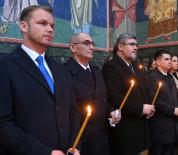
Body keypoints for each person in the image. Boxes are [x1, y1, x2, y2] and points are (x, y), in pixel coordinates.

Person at [0, 6, 80, 155]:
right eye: (42, 23)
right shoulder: (5, 66)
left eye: (52, 26)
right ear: (23, 26)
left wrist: (74, 145)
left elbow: (73, 111)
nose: (50, 29)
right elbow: (3, 125)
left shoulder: (60, 69)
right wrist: (45, 152)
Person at [64, 32, 121, 155]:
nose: (92, 47)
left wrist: (111, 111)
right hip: (80, 139)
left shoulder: (97, 72)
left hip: (102, 137)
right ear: (73, 47)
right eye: (86, 43)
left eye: (92, 44)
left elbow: (102, 99)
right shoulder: (64, 72)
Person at [102, 33, 155, 155]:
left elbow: (144, 90)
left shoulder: (136, 66)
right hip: (126, 128)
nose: (136, 48)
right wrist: (141, 108)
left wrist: (150, 107)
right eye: (131, 44)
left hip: (142, 126)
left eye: (136, 45)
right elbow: (115, 97)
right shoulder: (111, 67)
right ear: (120, 46)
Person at [147, 50, 178, 155]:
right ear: (158, 62)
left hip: (172, 123)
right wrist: (173, 110)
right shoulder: (151, 78)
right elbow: (155, 100)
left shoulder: (169, 77)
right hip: (159, 125)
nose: (170, 62)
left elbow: (177, 96)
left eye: (170, 59)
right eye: (166, 59)